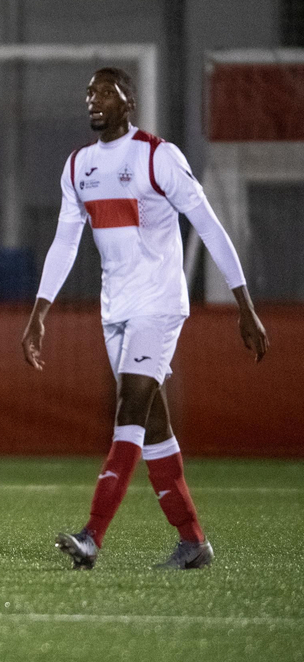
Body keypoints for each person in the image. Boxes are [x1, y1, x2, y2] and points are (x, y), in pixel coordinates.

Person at [22, 67, 268, 571]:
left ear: (128, 100)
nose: (93, 100)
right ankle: (193, 541)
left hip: (158, 305)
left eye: (104, 92)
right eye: (88, 92)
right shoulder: (78, 167)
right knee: (154, 428)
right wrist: (39, 312)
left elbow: (210, 226)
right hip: (115, 309)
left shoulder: (159, 156)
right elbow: (65, 243)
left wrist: (244, 305)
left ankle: (92, 534)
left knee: (129, 409)